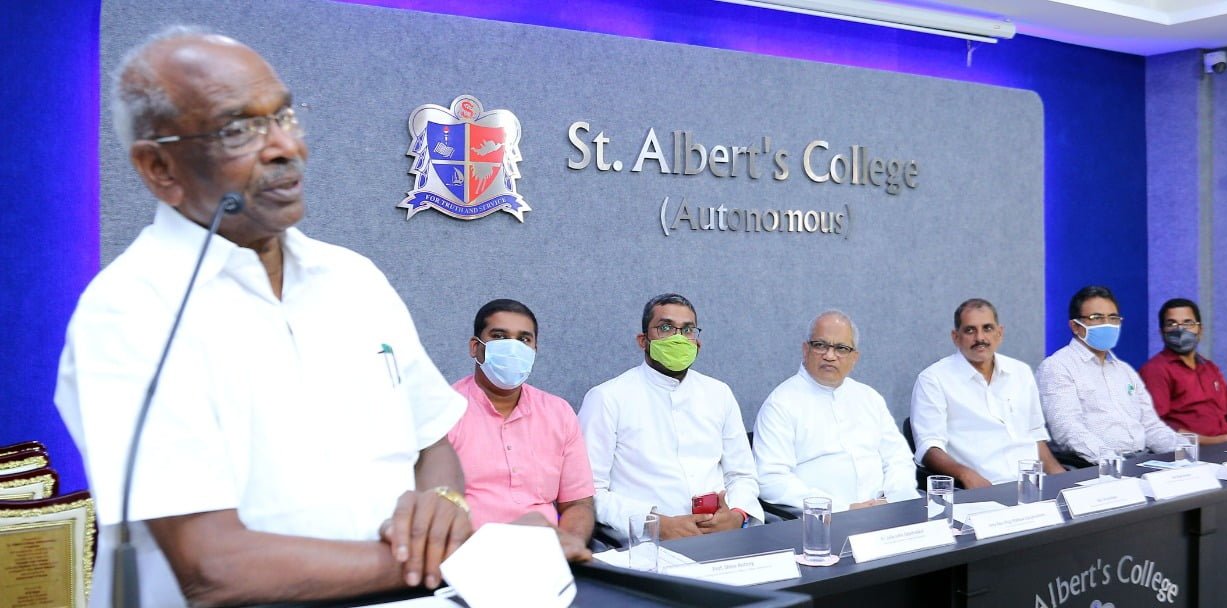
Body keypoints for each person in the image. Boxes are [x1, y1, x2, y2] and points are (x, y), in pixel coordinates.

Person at [54, 28, 470, 607]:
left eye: (285, 117)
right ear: (159, 167)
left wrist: (444, 505)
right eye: (238, 130)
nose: (286, 147)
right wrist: (454, 562)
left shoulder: (354, 278)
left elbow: (433, 445)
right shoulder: (130, 310)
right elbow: (213, 570)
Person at [578, 293, 763, 540]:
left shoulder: (719, 393)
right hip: (647, 542)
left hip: (722, 537)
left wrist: (737, 515)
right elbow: (587, 493)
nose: (678, 338)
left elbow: (742, 475)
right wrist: (655, 524)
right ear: (643, 340)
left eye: (687, 330)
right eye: (665, 328)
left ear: (697, 343)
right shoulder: (607, 398)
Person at [447, 298, 594, 559]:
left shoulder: (558, 413)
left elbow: (577, 503)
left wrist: (569, 547)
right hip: (468, 558)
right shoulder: (444, 411)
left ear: (535, 349)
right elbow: (435, 508)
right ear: (475, 347)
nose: (513, 348)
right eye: (499, 336)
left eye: (524, 339)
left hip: (546, 557)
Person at [753, 310, 918, 512]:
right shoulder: (781, 404)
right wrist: (842, 509)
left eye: (841, 348)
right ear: (805, 350)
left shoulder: (869, 397)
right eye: (820, 345)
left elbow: (898, 458)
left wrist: (892, 500)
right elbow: (771, 479)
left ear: (854, 357)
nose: (830, 356)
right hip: (825, 520)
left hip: (885, 513)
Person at [911, 299, 1065, 488]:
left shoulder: (1020, 372)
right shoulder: (934, 379)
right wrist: (966, 475)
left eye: (987, 328)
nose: (980, 338)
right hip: (983, 488)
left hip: (1033, 485)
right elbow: (929, 447)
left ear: (999, 333)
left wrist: (1062, 480)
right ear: (955, 337)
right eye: (970, 330)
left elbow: (1035, 436)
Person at [1037, 286, 1181, 463]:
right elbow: (1068, 429)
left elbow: (1151, 426)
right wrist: (1113, 462)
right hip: (1093, 465)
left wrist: (1183, 453)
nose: (1107, 324)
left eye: (1113, 318)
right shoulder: (1057, 367)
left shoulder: (1125, 370)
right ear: (1075, 326)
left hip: (1141, 459)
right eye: (1097, 318)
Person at [1139, 298, 1227, 445]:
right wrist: (1212, 442)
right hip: (1192, 451)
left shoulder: (1210, 367)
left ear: (1200, 330)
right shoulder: (1155, 370)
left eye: (1188, 323)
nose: (1180, 330)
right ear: (1161, 332)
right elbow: (1157, 426)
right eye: (1172, 324)